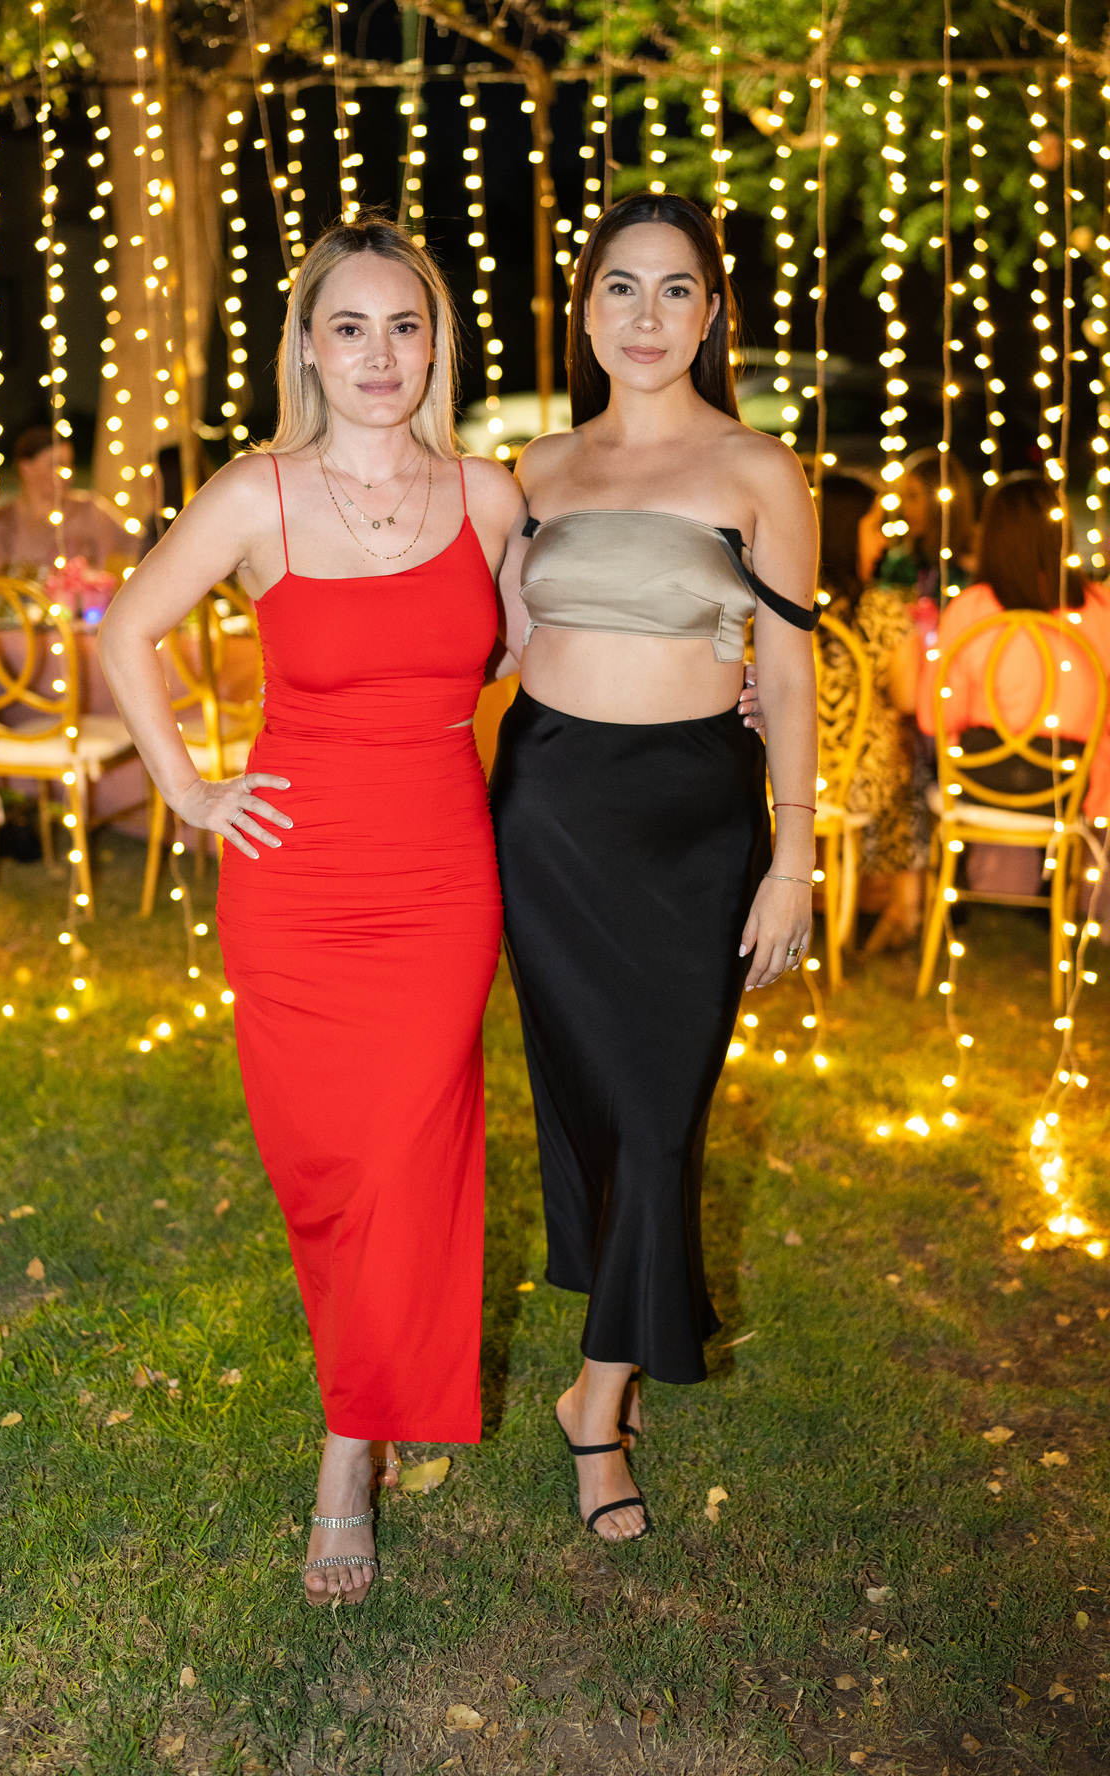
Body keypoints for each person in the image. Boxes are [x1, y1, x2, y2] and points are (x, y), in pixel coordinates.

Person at [99, 218, 520, 1607]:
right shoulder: (256, 495)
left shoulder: (490, 496)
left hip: (440, 876)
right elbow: (127, 630)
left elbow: (542, 648)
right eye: (351, 327)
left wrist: (719, 677)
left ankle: (350, 1452)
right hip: (293, 877)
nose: (380, 353)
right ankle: (374, 1381)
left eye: (405, 325)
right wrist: (187, 788)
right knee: (326, 1167)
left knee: (409, 1150)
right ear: (307, 349)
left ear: (437, 344)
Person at [489, 192, 820, 1544]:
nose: (645, 315)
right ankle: (602, 1395)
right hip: (550, 816)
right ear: (584, 311)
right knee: (598, 1105)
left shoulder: (759, 468)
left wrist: (794, 852)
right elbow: (489, 643)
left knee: (663, 1116)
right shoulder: (533, 470)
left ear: (710, 312)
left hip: (695, 824)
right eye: (619, 288)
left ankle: (599, 1396)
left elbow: (787, 672)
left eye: (674, 289)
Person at [916, 473, 1110, 891]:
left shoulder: (970, 608)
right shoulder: (1099, 608)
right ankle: (1073, 892)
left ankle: (974, 884)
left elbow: (933, 717)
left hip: (979, 784)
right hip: (1070, 789)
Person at [817, 471, 925, 950]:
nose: (884, 541)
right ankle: (900, 904)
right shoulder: (881, 610)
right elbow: (908, 700)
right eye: (875, 526)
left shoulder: (771, 604)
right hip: (851, 782)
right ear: (844, 531)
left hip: (772, 779)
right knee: (907, 766)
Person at [0, 428, 134, 576]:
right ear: (26, 468)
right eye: (56, 464)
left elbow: (140, 546)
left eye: (69, 464)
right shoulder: (2, 523)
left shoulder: (89, 510)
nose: (67, 473)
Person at [877, 445, 976, 599]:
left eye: (913, 496)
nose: (905, 509)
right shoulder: (899, 566)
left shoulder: (971, 567)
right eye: (903, 498)